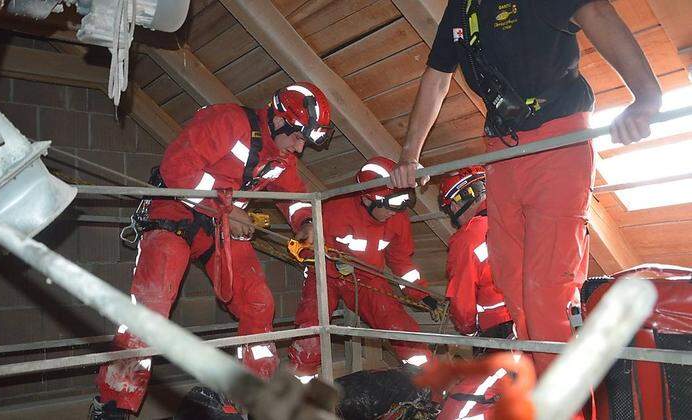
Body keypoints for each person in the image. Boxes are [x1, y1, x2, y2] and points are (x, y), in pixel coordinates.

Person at [389, 0, 661, 379]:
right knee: (511, 279)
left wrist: (647, 97)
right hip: (501, 147)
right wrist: (409, 155)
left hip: (557, 138)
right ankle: (537, 385)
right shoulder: (462, 7)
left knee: (548, 287)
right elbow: (437, 76)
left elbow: (596, 11)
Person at [89, 82, 334, 418]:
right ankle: (114, 403)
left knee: (258, 303)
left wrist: (305, 221)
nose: (300, 147)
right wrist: (224, 208)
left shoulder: (281, 156)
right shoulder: (227, 121)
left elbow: (293, 195)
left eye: (305, 140)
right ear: (278, 120)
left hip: (219, 228)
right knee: (152, 303)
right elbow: (176, 168)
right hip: (174, 212)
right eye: (297, 136)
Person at [288, 157, 440, 382]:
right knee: (312, 326)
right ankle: (301, 384)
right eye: (391, 205)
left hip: (367, 277)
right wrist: (327, 258)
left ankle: (426, 382)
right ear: (369, 200)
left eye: (401, 205)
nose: (395, 212)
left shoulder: (398, 220)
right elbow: (303, 246)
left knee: (396, 321)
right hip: (325, 275)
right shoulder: (335, 210)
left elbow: (401, 262)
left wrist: (421, 293)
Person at [438, 166, 512, 339]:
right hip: (538, 317)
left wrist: (468, 329)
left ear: (455, 206)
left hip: (500, 328)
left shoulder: (467, 238)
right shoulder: (515, 216)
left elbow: (462, 299)